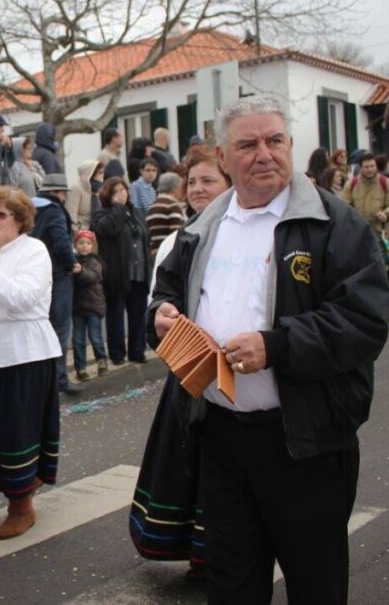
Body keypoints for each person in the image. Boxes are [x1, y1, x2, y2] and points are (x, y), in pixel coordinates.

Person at [149, 96, 389, 604]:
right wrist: (161, 316)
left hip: (304, 441)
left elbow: (365, 321)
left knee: (315, 584)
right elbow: (166, 290)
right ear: (221, 155)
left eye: (274, 140)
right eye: (248, 144)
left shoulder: (335, 223)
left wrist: (277, 346)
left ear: (290, 145)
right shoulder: (201, 228)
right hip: (219, 435)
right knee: (231, 583)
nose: (264, 154)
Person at [133, 145, 231, 578]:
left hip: (232, 367)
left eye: (209, 180)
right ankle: (197, 552)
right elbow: (161, 296)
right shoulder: (179, 237)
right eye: (193, 182)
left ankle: (225, 551)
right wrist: (162, 314)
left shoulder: (237, 232)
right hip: (189, 365)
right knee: (188, 463)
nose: (198, 189)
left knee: (222, 464)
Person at [0, 185, 61, 539]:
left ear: (19, 220)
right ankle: (7, 493)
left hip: (24, 351)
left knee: (18, 428)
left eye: (1, 215)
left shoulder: (35, 251)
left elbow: (21, 299)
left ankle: (22, 505)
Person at [342, 152, 389, 321]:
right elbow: (343, 206)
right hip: (362, 236)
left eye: (372, 166)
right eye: (366, 167)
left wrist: (387, 214)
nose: (370, 170)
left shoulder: (387, 183)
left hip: (385, 235)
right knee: (369, 273)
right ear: (361, 168)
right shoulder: (352, 184)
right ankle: (377, 309)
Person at [92, 177, 151, 365]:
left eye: (124, 190)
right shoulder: (102, 214)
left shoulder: (137, 213)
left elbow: (144, 239)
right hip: (117, 274)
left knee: (138, 313)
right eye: (117, 191)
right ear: (108, 194)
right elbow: (108, 229)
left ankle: (137, 351)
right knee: (116, 315)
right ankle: (117, 354)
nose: (122, 194)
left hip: (139, 272)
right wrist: (118, 208)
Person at [31, 174, 81, 395]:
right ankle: (60, 379)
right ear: (57, 193)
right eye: (63, 193)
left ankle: (42, 381)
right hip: (57, 274)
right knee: (60, 328)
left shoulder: (30, 207)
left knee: (40, 327)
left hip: (35, 273)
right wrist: (72, 264)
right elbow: (61, 242)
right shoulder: (54, 210)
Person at [71, 230, 108, 381]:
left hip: (93, 306)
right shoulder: (73, 261)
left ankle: (102, 362)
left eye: (87, 243)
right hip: (78, 307)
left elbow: (91, 277)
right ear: (76, 245)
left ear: (92, 246)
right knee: (78, 339)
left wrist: (80, 271)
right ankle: (81, 368)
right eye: (81, 243)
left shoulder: (95, 261)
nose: (84, 246)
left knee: (95, 337)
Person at [146, 172, 186, 258]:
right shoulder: (173, 206)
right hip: (169, 255)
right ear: (175, 188)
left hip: (154, 254)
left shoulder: (152, 207)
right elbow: (176, 235)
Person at [65, 160, 101, 232]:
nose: (103, 175)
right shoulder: (76, 188)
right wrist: (77, 233)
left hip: (96, 233)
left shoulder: (98, 190)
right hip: (81, 233)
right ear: (91, 174)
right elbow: (71, 215)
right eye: (100, 173)